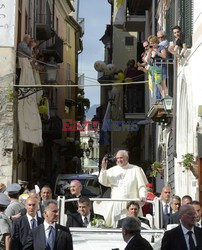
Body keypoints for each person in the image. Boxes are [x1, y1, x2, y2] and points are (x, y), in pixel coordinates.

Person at [97, 150, 148, 227]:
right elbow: (103, 181)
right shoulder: (112, 170)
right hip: (117, 204)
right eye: (117, 158)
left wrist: (143, 196)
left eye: (121, 158)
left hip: (132, 204)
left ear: (127, 158)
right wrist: (103, 169)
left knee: (133, 226)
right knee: (116, 226)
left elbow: (142, 186)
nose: (119, 160)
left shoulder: (136, 169)